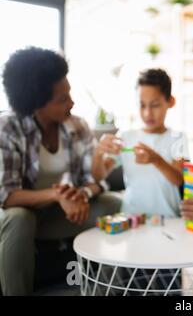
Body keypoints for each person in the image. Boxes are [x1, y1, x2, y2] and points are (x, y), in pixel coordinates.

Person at [0, 47, 122, 295]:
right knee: (19, 218)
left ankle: (106, 289)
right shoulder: (7, 128)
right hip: (26, 217)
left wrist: (81, 194)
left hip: (62, 215)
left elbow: (94, 180)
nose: (72, 102)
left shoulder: (77, 126)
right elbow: (7, 195)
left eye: (70, 93)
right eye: (62, 99)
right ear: (36, 104)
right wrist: (57, 195)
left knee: (110, 204)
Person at [92, 68, 189, 217]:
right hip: (132, 218)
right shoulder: (125, 137)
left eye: (155, 105)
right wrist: (98, 153)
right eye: (142, 105)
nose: (147, 113)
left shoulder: (178, 138)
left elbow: (178, 180)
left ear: (170, 101)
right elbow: (99, 176)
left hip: (169, 219)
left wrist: (155, 159)